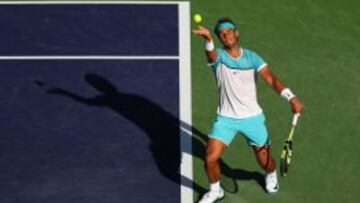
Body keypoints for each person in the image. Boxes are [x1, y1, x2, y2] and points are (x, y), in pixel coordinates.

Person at [192, 17, 304, 202]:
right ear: (219, 38)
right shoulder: (218, 57)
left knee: (265, 163)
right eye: (221, 33)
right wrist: (208, 40)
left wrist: (291, 97)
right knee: (210, 158)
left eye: (229, 30)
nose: (225, 34)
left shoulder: (252, 57)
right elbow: (210, 54)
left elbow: (272, 80)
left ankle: (270, 174)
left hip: (252, 118)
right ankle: (215, 191)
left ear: (237, 33)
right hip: (226, 119)